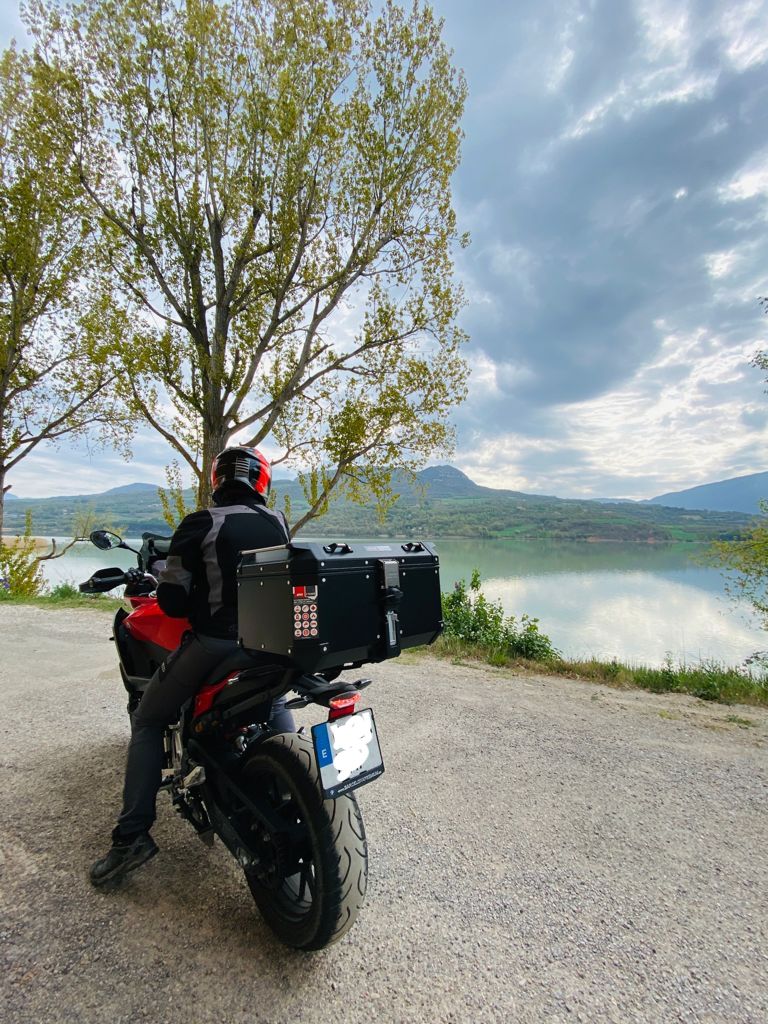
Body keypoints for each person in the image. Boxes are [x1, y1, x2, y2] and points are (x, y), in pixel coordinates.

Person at [90, 445, 295, 887]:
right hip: (271, 646)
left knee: (148, 721)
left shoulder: (201, 523)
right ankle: (286, 779)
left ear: (218, 479)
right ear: (262, 481)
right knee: (275, 700)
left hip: (217, 646)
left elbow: (172, 599)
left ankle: (131, 839)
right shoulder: (276, 521)